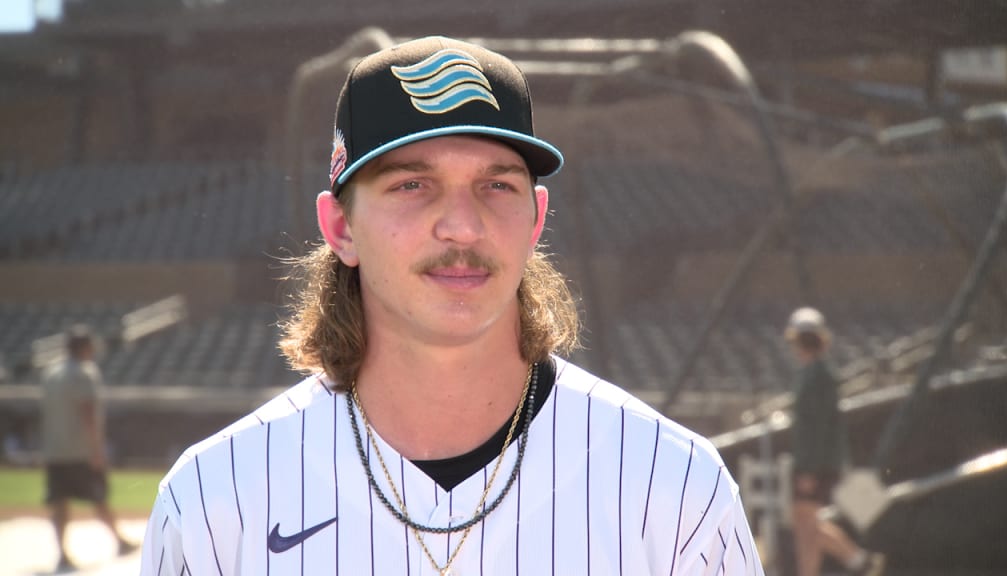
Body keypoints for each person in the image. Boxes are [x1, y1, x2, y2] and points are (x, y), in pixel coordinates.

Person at [140, 35, 764, 575]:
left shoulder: (676, 485)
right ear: (341, 229)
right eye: (413, 185)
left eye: (496, 185)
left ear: (535, 220)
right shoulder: (215, 498)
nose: (463, 227)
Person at [785, 307, 884, 576]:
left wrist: (808, 470)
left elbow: (817, 427)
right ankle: (856, 561)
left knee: (808, 525)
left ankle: (859, 560)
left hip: (814, 465)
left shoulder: (819, 376)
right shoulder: (813, 373)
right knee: (807, 527)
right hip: (813, 463)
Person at [40, 324, 136, 572]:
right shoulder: (85, 373)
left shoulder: (51, 374)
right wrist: (98, 450)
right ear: (84, 347)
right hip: (80, 450)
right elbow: (88, 414)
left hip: (55, 449)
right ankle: (120, 541)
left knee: (59, 502)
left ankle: (62, 554)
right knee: (98, 497)